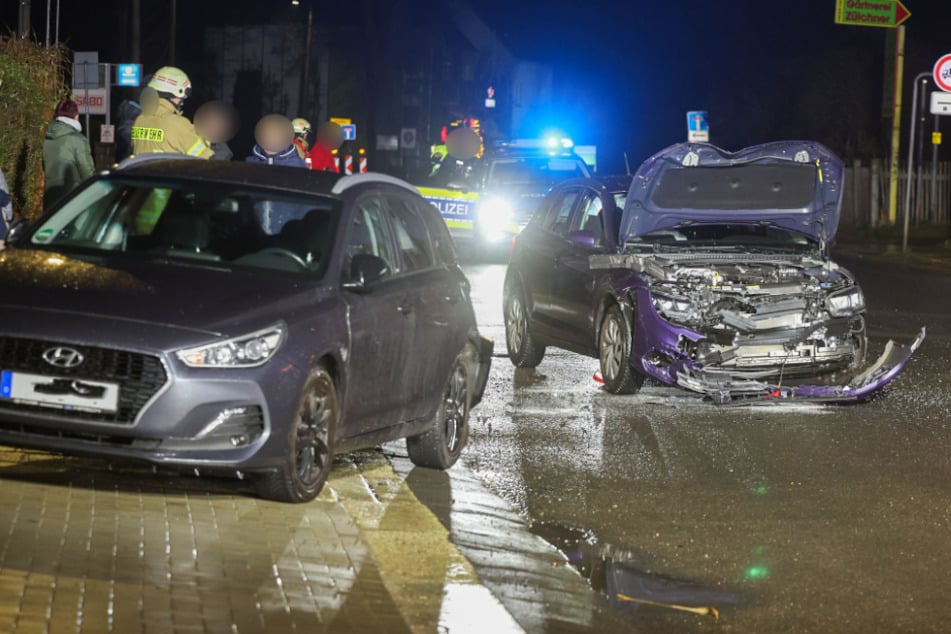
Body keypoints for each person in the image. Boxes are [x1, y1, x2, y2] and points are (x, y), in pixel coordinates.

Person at [131, 66, 213, 158]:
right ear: (177, 92)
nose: (182, 101)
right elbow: (205, 157)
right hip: (170, 172)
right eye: (182, 98)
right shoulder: (177, 124)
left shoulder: (140, 120)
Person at [43, 99, 96, 208]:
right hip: (72, 200)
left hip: (50, 199)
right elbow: (87, 172)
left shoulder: (47, 139)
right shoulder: (78, 140)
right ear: (75, 116)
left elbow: (45, 167)